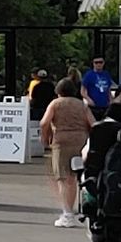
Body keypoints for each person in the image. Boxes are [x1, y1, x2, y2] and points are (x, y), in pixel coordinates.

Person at [40, 77, 95, 227]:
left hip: (61, 143)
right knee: (77, 177)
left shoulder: (55, 104)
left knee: (64, 178)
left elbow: (44, 122)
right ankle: (80, 209)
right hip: (80, 142)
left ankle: (67, 213)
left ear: (58, 91)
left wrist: (45, 138)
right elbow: (93, 124)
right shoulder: (81, 105)